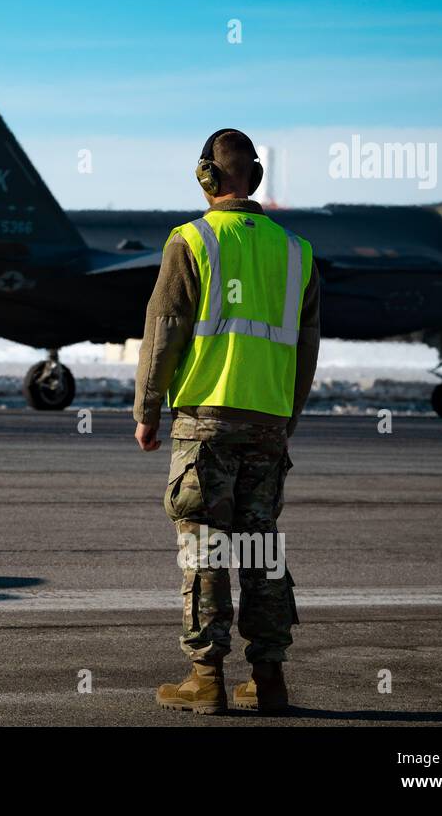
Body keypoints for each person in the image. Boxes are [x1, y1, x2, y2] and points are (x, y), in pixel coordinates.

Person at [133, 129, 320, 715]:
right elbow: (306, 348)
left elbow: (164, 331)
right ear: (255, 179)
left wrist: (147, 410)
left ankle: (206, 678)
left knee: (205, 548)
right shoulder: (297, 252)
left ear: (206, 178)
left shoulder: (192, 240)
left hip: (205, 424)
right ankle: (269, 679)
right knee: (262, 546)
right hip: (268, 422)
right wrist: (286, 415)